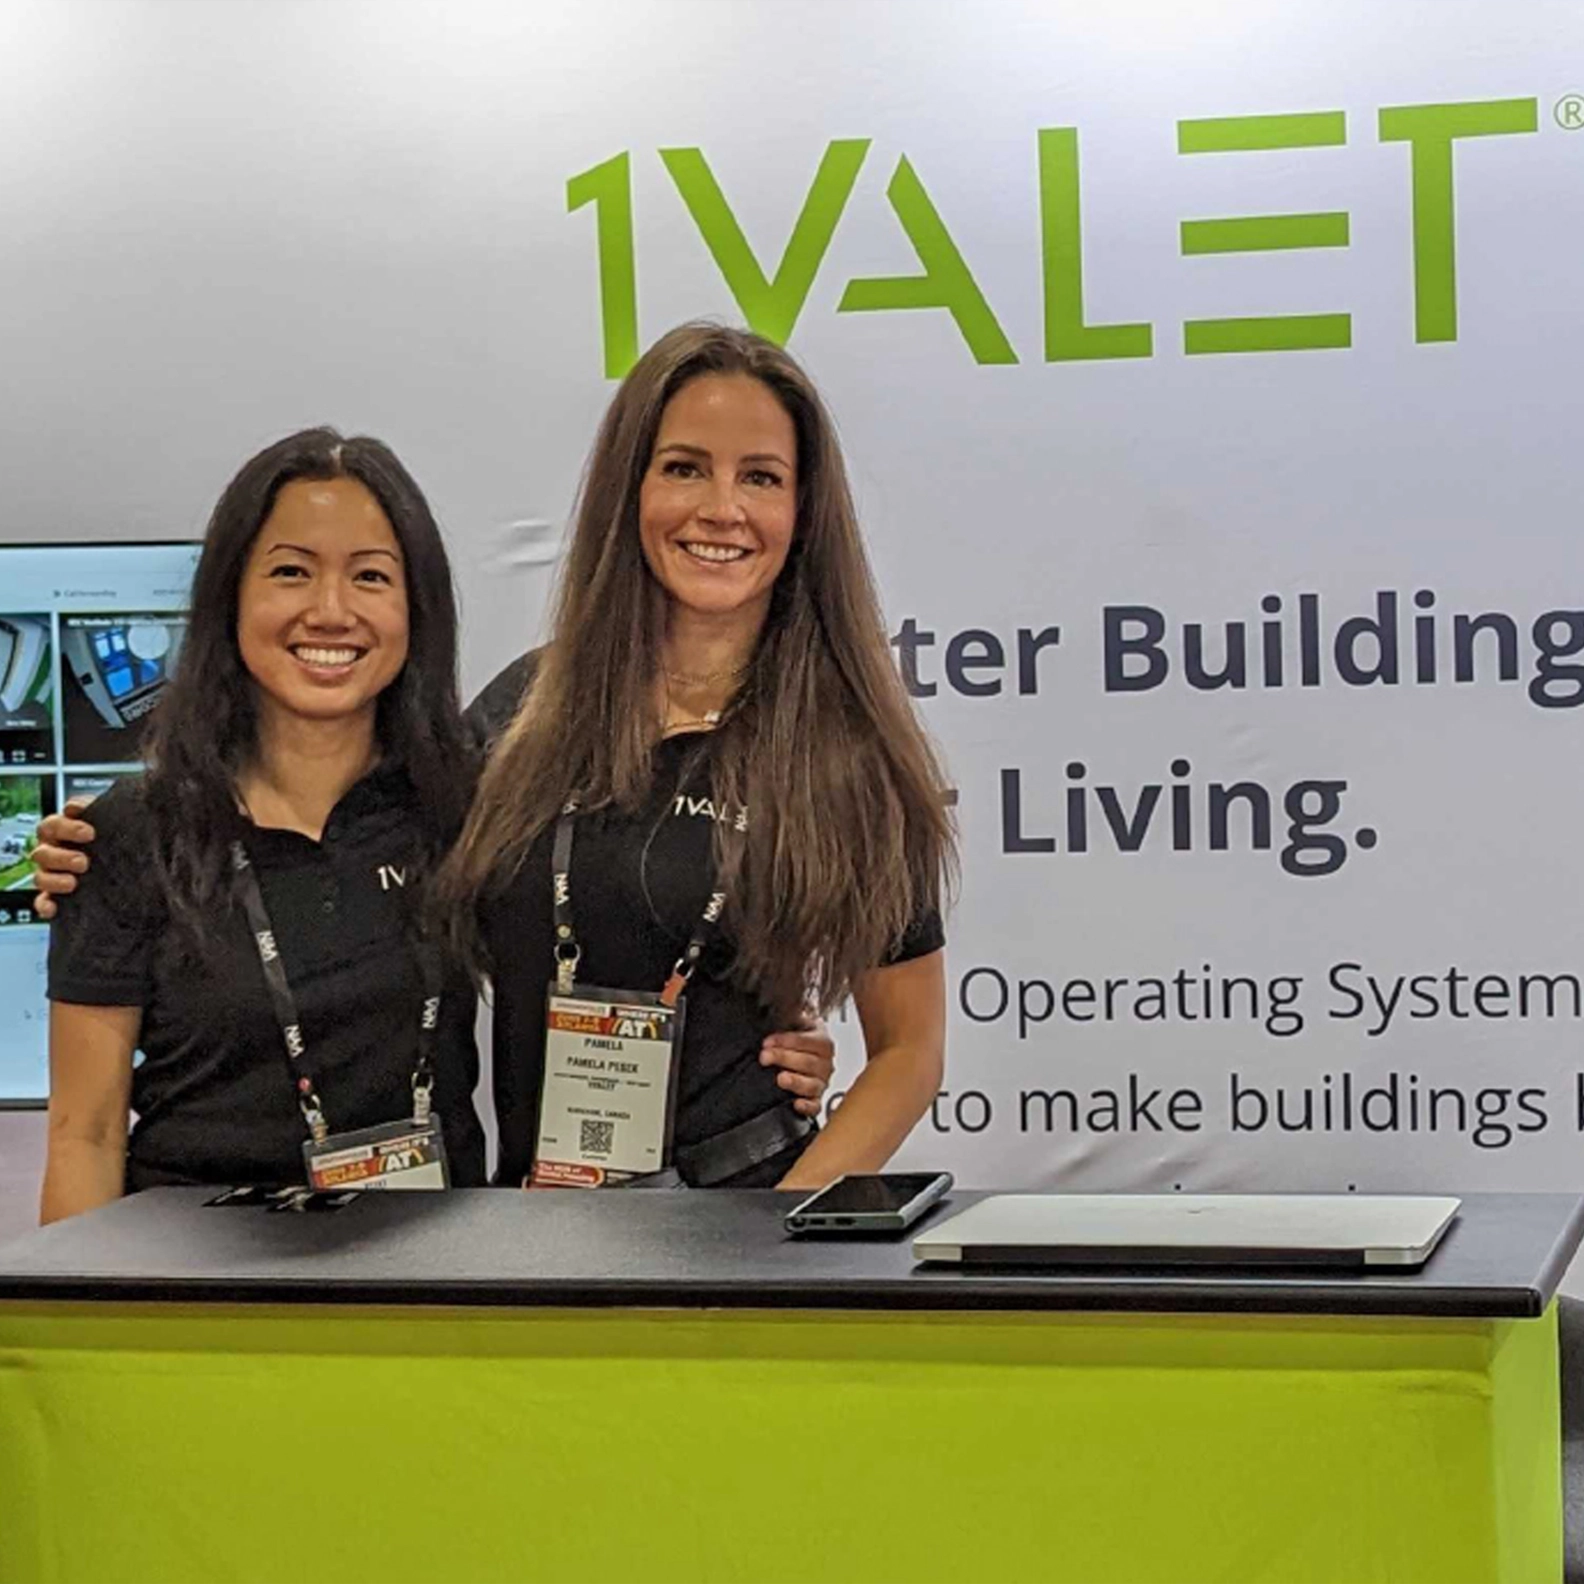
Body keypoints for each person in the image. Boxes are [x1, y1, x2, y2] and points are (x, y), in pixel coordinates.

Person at [35, 428, 835, 1217]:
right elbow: (85, 1134)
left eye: (372, 577)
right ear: (229, 598)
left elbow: (625, 911)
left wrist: (762, 1048)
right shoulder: (135, 836)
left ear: (415, 608)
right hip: (196, 1299)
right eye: (290, 572)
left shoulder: (468, 800)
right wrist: (73, 1333)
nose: (331, 610)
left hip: (426, 1288)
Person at [438, 322, 955, 1192]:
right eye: (685, 468)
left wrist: (780, 1238)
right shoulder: (519, 715)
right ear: (630, 488)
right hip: (536, 1234)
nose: (722, 509)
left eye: (760, 477)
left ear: (802, 510)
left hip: (742, 1226)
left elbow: (911, 1051)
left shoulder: (846, 751)